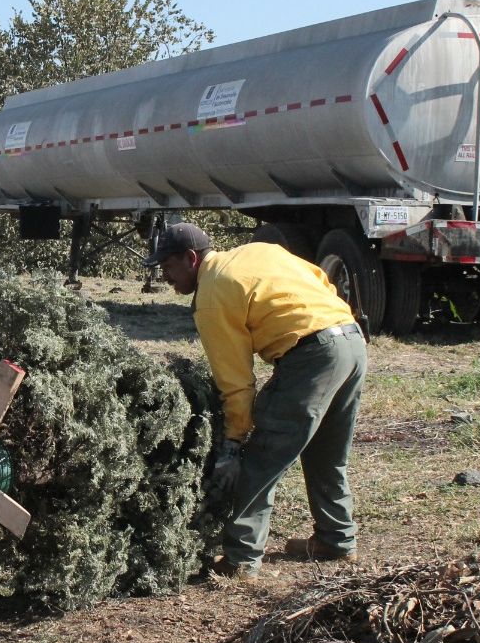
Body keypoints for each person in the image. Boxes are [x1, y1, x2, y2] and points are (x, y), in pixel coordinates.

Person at [143, 223, 367, 579]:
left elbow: (236, 383)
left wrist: (233, 443)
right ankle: (336, 539)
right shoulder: (258, 251)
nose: (166, 278)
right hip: (351, 341)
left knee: (262, 456)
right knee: (326, 453)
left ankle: (241, 560)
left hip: (311, 355)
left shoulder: (212, 294)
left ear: (190, 258)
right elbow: (321, 281)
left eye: (168, 268)